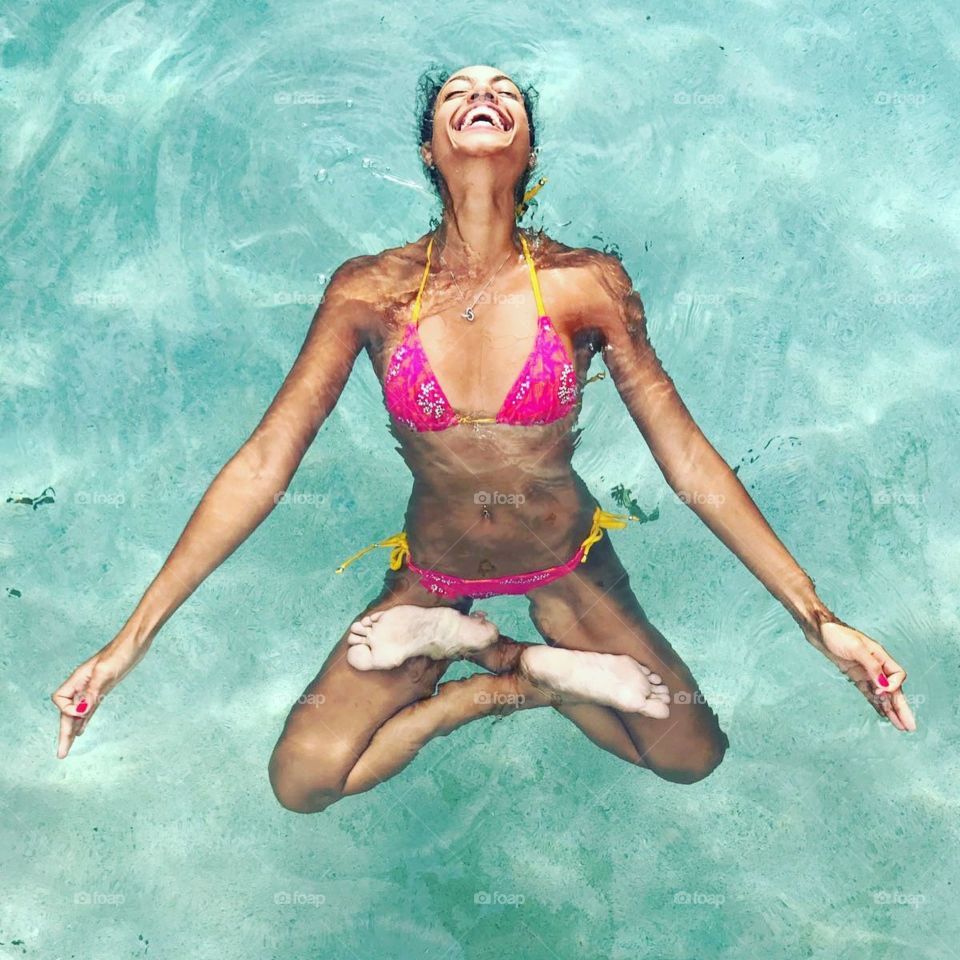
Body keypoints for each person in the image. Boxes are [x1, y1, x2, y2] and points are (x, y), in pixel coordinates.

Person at [52, 64, 915, 813]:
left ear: (527, 149)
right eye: (459, 93)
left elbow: (686, 458)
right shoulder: (370, 290)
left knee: (691, 757)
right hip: (434, 579)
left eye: (505, 92)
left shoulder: (585, 284)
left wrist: (818, 621)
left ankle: (528, 663)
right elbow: (265, 462)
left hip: (566, 562)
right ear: (431, 149)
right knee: (304, 781)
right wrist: (129, 642)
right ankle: (495, 669)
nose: (483, 95)